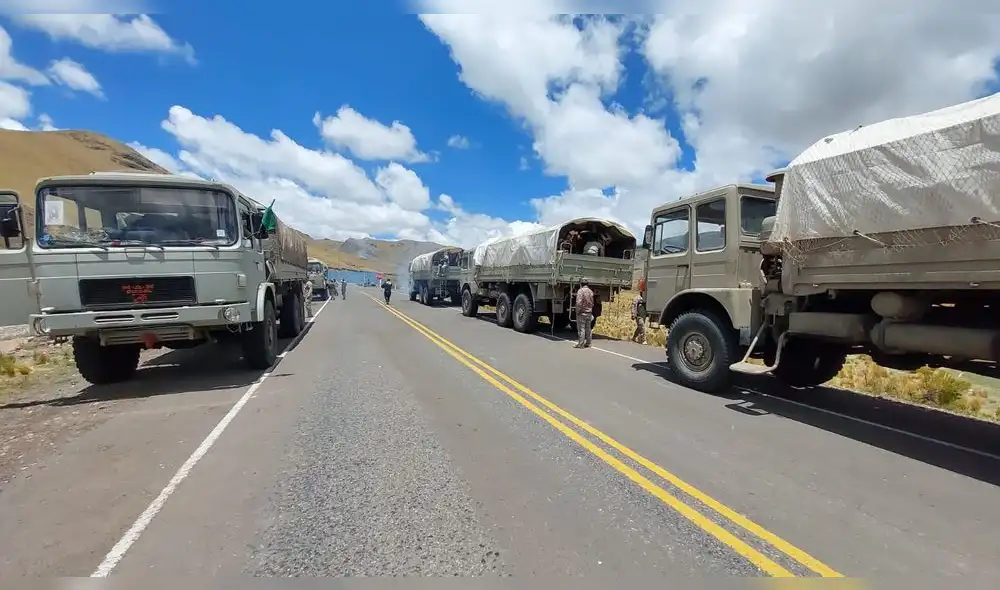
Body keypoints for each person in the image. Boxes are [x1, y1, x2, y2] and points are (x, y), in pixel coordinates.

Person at [574, 279, 595, 349]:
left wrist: (578, 311)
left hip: (582, 312)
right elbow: (592, 302)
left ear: (581, 284)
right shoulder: (591, 291)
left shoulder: (580, 291)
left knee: (581, 329)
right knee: (588, 329)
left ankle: (581, 344)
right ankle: (588, 343)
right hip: (589, 312)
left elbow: (578, 302)